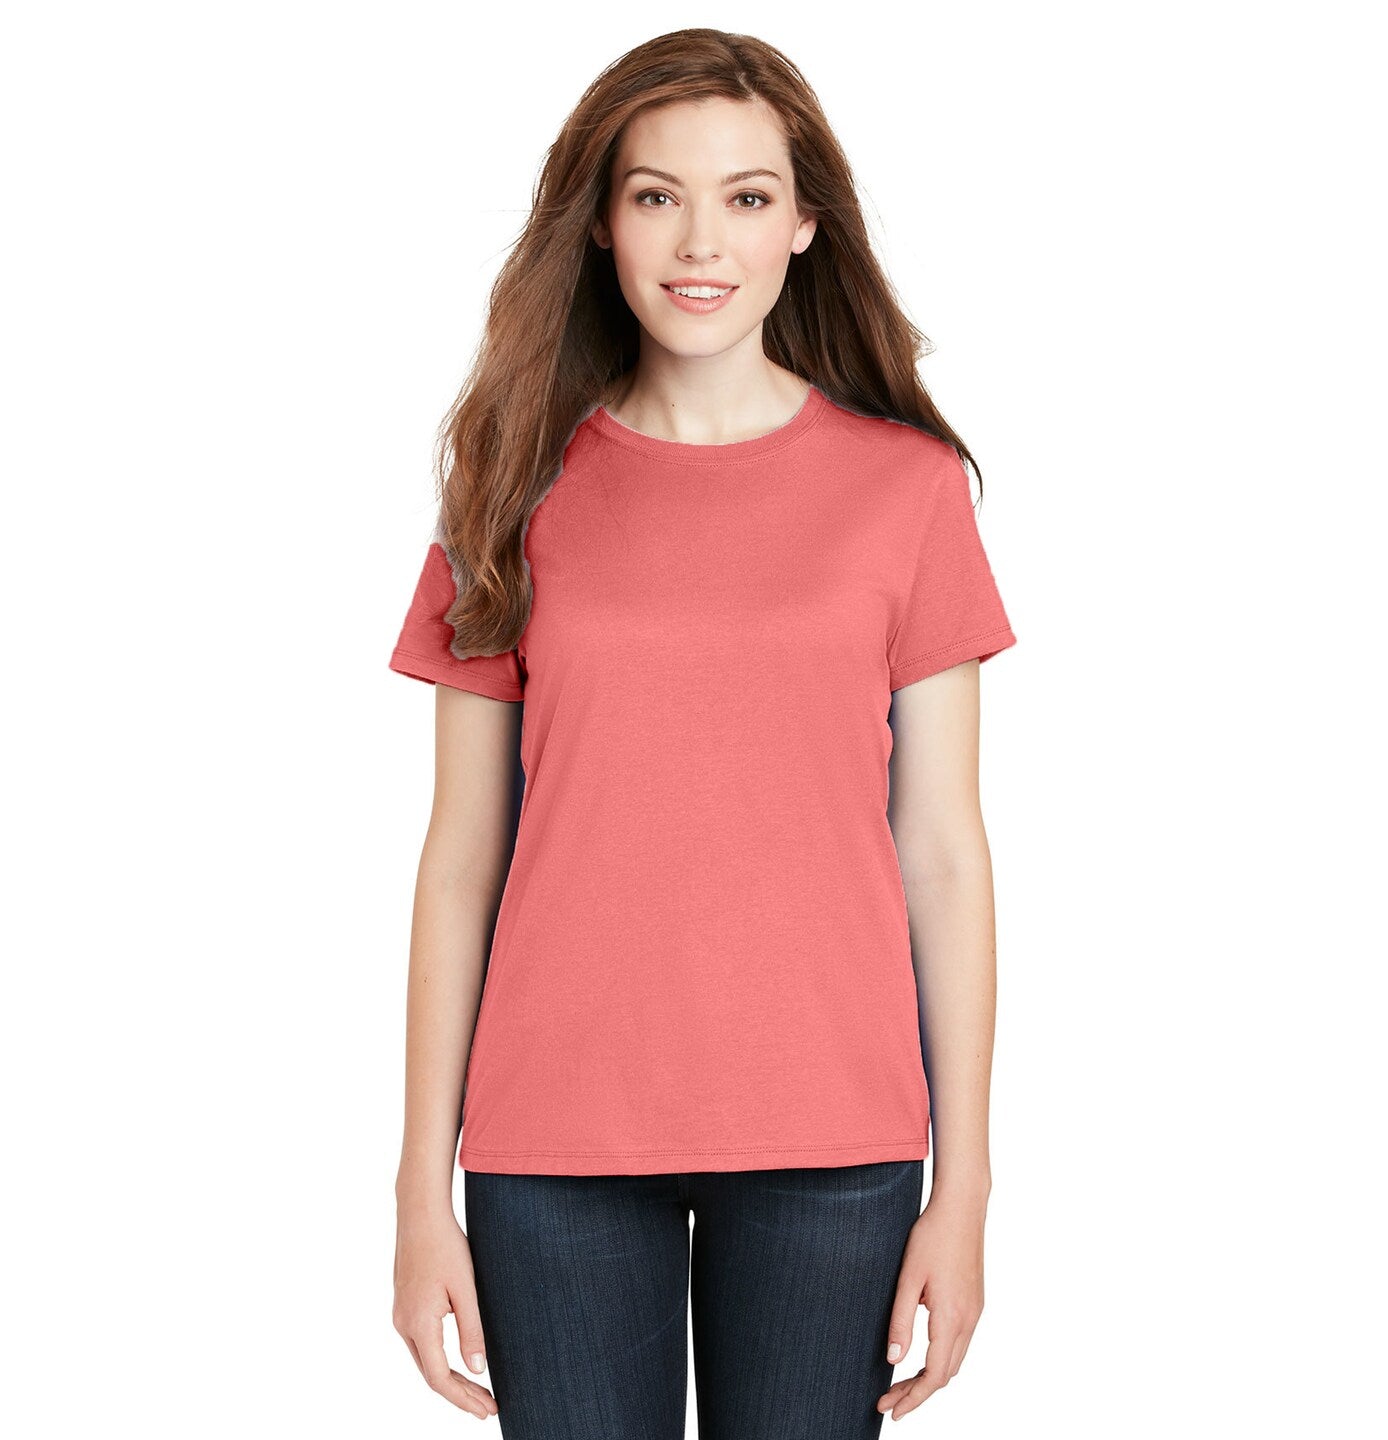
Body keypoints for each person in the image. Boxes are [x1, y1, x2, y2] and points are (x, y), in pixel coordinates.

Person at [388, 27, 1017, 1439]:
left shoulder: (908, 491)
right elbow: (459, 861)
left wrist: (967, 1187)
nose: (699, 242)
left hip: (835, 1136)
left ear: (804, 225)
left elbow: (944, 856)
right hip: (552, 1138)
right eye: (656, 194)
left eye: (745, 196)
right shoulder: (506, 486)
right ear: (600, 222)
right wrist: (421, 1189)